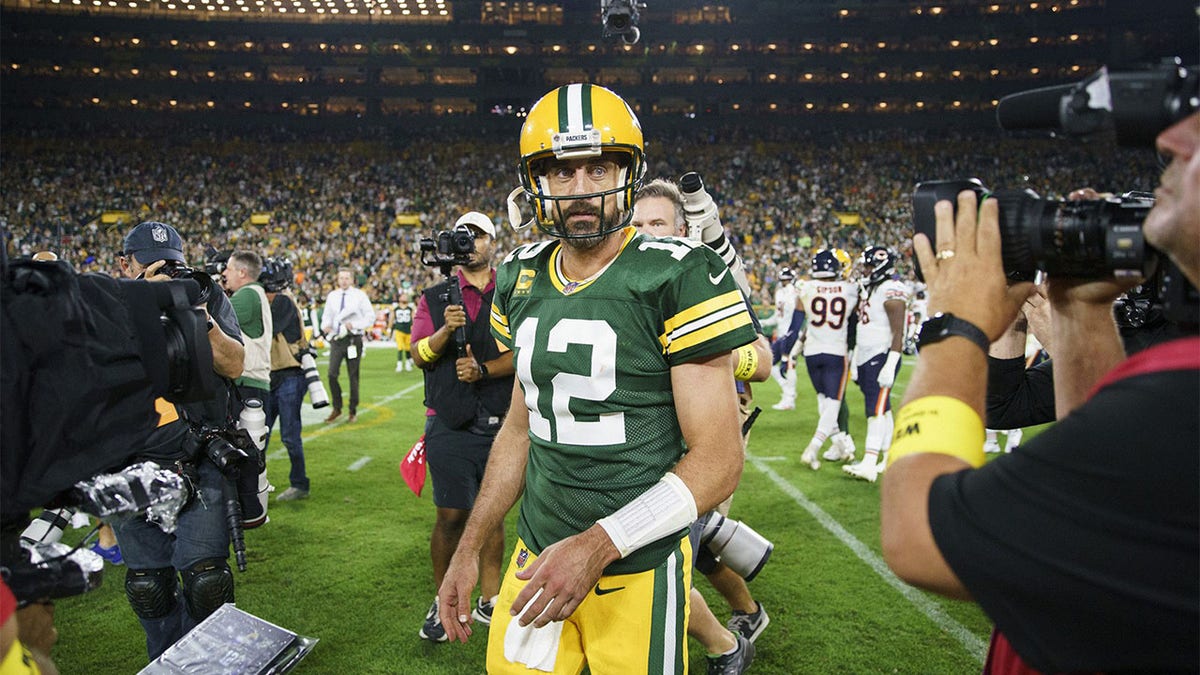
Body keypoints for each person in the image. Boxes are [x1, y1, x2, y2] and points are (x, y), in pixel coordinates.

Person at [436, 83, 759, 674]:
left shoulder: (679, 273)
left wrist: (597, 545)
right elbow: (517, 429)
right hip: (536, 555)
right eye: (561, 173)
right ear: (536, 183)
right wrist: (469, 546)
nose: (580, 190)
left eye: (599, 168)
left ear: (629, 173)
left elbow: (718, 458)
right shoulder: (518, 275)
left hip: (637, 562)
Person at [879, 111, 1199, 672]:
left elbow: (919, 533)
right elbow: (1109, 479)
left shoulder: (1181, 392)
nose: (1169, 138)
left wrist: (955, 324)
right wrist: (1080, 310)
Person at [631, 178, 768, 673]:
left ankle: (725, 645)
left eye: (657, 223)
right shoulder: (622, 275)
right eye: (638, 223)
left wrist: (706, 348)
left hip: (703, 442)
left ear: (682, 228)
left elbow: (764, 360)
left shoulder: (705, 277)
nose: (646, 233)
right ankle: (747, 614)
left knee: (661, 559)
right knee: (690, 550)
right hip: (647, 440)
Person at [111, 220, 246, 662]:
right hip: (137, 462)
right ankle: (164, 663)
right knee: (149, 584)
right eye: (149, 267)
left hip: (202, 456)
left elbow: (234, 365)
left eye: (169, 266)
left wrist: (196, 313)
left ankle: (204, 668)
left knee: (207, 581)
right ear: (126, 265)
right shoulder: (113, 304)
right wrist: (142, 306)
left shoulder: (208, 297)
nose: (161, 274)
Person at [409, 211, 515, 643]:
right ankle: (443, 599)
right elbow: (419, 354)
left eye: (479, 234)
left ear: (494, 242)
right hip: (448, 421)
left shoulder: (511, 292)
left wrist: (484, 370)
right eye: (463, 234)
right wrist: (443, 335)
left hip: (499, 418)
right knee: (451, 515)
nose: (471, 241)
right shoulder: (434, 297)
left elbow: (523, 352)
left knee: (493, 513)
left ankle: (490, 599)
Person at [842, 246, 909, 482]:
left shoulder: (892, 289)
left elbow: (898, 332)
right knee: (883, 407)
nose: (866, 270)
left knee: (876, 409)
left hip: (881, 355)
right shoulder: (872, 288)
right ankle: (890, 455)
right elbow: (862, 327)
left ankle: (869, 463)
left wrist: (891, 363)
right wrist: (857, 360)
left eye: (870, 266)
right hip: (868, 355)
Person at [793, 249, 859, 470]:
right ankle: (813, 448)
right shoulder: (850, 289)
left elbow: (797, 320)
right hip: (836, 351)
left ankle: (841, 443)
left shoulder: (806, 286)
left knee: (823, 401)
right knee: (833, 403)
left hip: (812, 352)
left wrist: (790, 350)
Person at [222, 250, 274, 524]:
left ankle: (250, 511)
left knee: (244, 453)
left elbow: (217, 321)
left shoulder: (246, 294)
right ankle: (254, 510)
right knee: (253, 452)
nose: (224, 274)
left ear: (242, 272)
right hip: (256, 379)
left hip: (247, 380)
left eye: (228, 269)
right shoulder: (256, 293)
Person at [261, 261, 312, 502]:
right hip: (272, 375)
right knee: (261, 434)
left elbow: (265, 327)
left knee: (289, 434)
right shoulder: (281, 299)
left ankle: (299, 483)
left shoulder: (282, 302)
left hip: (290, 373)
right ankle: (257, 483)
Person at [319, 268, 375, 423]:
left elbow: (370, 317)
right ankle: (337, 408)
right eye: (341, 278)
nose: (343, 281)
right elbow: (327, 316)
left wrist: (354, 324)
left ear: (352, 280)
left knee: (353, 376)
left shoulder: (359, 296)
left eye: (346, 278)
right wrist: (326, 326)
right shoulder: (333, 296)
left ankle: (352, 410)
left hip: (353, 339)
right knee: (331, 374)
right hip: (337, 339)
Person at [770, 266, 801, 410]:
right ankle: (788, 392)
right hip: (783, 333)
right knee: (769, 363)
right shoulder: (781, 293)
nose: (785, 283)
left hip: (791, 334)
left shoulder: (794, 293)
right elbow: (778, 316)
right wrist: (764, 322)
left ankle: (789, 400)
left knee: (787, 366)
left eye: (787, 280)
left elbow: (796, 314)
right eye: (783, 281)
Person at [391, 292, 416, 373]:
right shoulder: (396, 309)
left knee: (408, 348)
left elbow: (414, 318)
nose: (405, 298)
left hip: (408, 330)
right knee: (400, 347)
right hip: (399, 329)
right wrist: (389, 328)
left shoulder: (410, 309)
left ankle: (408, 363)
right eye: (403, 296)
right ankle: (400, 364)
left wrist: (414, 327)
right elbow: (391, 319)